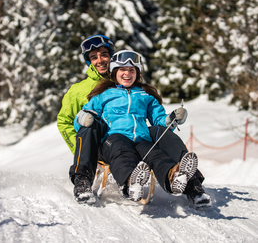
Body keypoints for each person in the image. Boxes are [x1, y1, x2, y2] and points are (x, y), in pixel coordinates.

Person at [73, 50, 211, 208]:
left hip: (141, 140)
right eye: (122, 70)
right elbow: (82, 118)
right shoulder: (105, 95)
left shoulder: (145, 95)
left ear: (137, 74)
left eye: (132, 70)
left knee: (156, 156)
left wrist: (173, 118)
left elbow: (159, 119)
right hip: (113, 139)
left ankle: (174, 178)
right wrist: (84, 118)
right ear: (114, 72)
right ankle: (131, 182)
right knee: (121, 151)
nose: (127, 73)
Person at [57, 34, 114, 154]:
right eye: (94, 57)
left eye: (104, 55)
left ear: (111, 56)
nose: (100, 61)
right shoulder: (78, 90)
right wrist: (80, 151)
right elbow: (64, 121)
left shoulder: (122, 83)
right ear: (89, 62)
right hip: (97, 150)